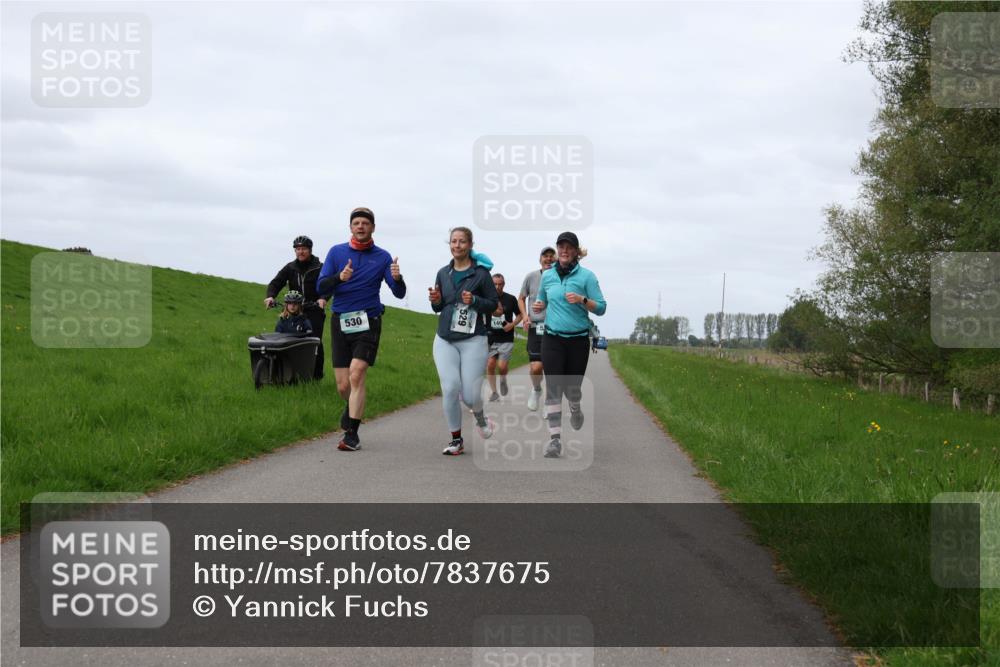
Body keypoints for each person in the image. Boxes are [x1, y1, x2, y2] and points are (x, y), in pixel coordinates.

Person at [317, 207, 406, 452]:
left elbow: (399, 293)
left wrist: (398, 278)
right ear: (350, 227)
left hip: (369, 320)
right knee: (343, 385)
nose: (360, 226)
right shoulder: (336, 252)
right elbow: (321, 287)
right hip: (340, 321)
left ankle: (352, 435)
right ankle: (352, 406)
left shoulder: (383, 257)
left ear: (373, 228)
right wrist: (339, 278)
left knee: (356, 375)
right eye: (356, 223)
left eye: (365, 223)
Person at [532, 232, 606, 458]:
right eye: (561, 246)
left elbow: (601, 308)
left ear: (576, 251)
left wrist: (583, 300)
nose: (564, 250)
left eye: (568, 247)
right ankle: (554, 440)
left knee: (572, 390)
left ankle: (575, 406)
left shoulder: (587, 277)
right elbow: (542, 299)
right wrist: (539, 305)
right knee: (554, 388)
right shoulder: (548, 276)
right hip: (552, 338)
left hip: (577, 340)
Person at [429, 227, 498, 456]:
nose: (457, 245)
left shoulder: (481, 274)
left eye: (461, 241)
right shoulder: (443, 273)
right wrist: (435, 300)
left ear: (470, 245)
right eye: (453, 241)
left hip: (473, 339)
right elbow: (438, 307)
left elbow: (493, 305)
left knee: (470, 396)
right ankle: (456, 440)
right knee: (450, 388)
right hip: (445, 338)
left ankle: (481, 418)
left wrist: (475, 300)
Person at [265, 236, 330, 378]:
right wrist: (271, 296)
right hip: (295, 309)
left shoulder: (320, 267)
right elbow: (276, 282)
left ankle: (316, 376)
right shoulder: (290, 267)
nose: (301, 252)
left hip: (314, 310)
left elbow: (327, 285)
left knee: (315, 342)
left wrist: (323, 299)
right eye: (298, 249)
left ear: (310, 250)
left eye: (304, 249)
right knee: (288, 340)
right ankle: (287, 373)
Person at [517, 246, 556, 411]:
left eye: (552, 256)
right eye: (545, 256)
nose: (548, 259)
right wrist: (525, 316)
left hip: (555, 328)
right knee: (536, 367)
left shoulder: (560, 278)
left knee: (552, 369)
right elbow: (521, 298)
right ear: (540, 259)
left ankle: (550, 402)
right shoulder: (531, 277)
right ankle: (537, 389)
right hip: (535, 326)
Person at [486, 273, 522, 402]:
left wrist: (512, 325)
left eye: (500, 284)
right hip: (490, 337)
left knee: (501, 366)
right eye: (495, 284)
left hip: (506, 337)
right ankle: (494, 392)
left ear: (504, 284)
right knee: (490, 364)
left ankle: (503, 379)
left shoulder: (510, 299)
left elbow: (520, 315)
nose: (497, 287)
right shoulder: (486, 298)